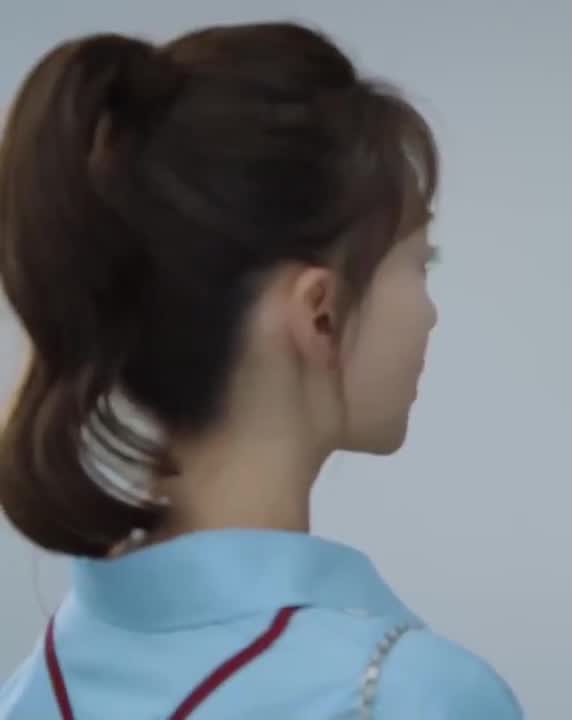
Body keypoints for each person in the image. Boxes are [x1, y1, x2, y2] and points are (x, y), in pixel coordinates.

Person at [0, 22, 522, 719]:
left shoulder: (32, 687)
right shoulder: (409, 696)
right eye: (420, 263)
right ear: (321, 312)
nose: (429, 312)